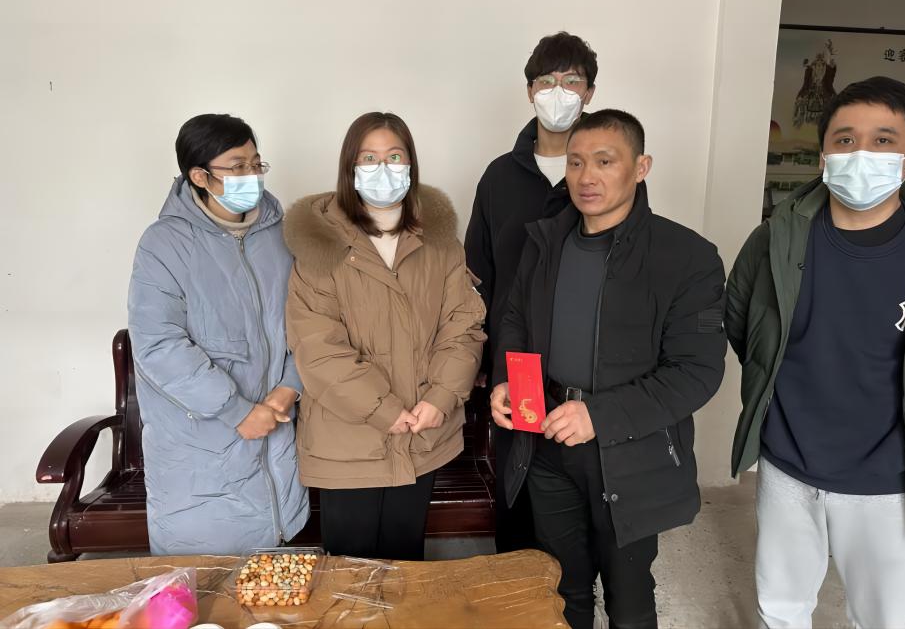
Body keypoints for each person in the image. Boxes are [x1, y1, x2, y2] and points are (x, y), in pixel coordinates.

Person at [490, 109, 727, 629]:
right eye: (575, 162)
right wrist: (508, 379)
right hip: (547, 442)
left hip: (630, 452)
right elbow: (514, 319)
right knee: (561, 587)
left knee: (629, 595)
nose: (586, 176)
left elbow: (697, 371)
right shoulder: (545, 242)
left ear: (641, 167)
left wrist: (598, 416)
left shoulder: (686, 257)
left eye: (604, 161)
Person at [727, 76, 905, 629]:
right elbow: (744, 324)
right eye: (845, 140)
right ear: (824, 155)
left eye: (883, 140)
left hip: (888, 478)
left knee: (881, 618)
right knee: (781, 606)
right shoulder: (775, 239)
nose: (860, 153)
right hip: (788, 464)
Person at [284, 111, 486, 561]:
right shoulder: (321, 246)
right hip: (348, 441)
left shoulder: (441, 244)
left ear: (411, 164)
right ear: (350, 168)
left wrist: (440, 397)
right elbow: (317, 346)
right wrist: (382, 409)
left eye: (394, 157)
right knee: (349, 578)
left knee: (405, 570)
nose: (383, 169)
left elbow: (463, 324)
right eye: (369, 158)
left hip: (422, 433)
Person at [128, 113, 309, 555]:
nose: (252, 175)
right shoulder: (164, 244)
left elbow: (306, 320)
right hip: (201, 450)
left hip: (276, 435)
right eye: (237, 166)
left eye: (256, 163)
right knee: (205, 578)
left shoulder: (280, 235)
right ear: (199, 176)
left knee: (275, 576)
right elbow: (159, 344)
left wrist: (290, 386)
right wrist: (236, 410)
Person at [464, 31, 597, 552]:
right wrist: (482, 357)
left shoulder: (605, 174)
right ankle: (518, 584)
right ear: (529, 92)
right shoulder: (500, 177)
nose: (558, 92)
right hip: (515, 357)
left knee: (580, 489)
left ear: (589, 92)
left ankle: (575, 589)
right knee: (517, 487)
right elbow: (478, 274)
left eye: (571, 81)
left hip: (585, 360)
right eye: (547, 81)